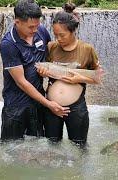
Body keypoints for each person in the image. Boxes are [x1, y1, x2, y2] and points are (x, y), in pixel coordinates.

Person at [0, 0, 70, 142]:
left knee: (37, 145)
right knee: (11, 148)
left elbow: (51, 57)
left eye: (37, 25)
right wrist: (49, 104)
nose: (35, 30)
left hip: (38, 103)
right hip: (16, 106)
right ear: (17, 22)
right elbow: (21, 82)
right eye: (31, 27)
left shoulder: (41, 31)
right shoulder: (8, 44)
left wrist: (47, 71)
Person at [37, 3, 104, 147]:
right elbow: (45, 73)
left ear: (73, 31)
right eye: (55, 35)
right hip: (52, 107)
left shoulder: (86, 49)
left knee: (80, 147)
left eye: (62, 35)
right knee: (52, 147)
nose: (59, 39)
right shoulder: (51, 47)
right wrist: (42, 73)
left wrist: (80, 79)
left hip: (76, 108)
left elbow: (97, 78)